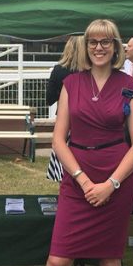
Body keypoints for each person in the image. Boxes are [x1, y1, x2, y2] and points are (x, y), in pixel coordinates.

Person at [12, 19, 133, 266]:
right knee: (57, 262)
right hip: (77, 178)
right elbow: (59, 140)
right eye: (92, 42)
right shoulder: (71, 84)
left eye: (105, 41)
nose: (99, 47)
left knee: (109, 262)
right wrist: (84, 180)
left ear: (115, 47)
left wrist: (111, 184)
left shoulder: (130, 86)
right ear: (85, 47)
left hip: (117, 180)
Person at [45, 36, 83, 182]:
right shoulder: (91, 71)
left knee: (62, 152)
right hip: (86, 118)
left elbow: (49, 99)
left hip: (65, 119)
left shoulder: (59, 70)